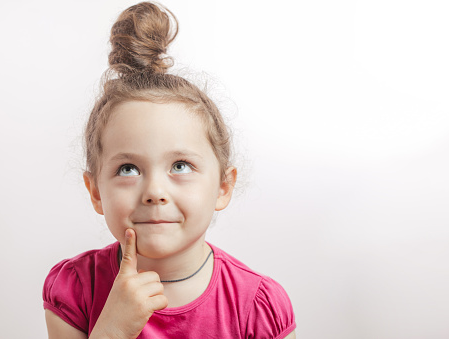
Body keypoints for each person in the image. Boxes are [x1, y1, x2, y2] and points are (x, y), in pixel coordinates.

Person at [43, 2, 296, 338]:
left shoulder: (257, 308)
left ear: (222, 186)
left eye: (180, 165)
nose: (154, 193)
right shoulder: (76, 290)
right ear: (96, 192)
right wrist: (111, 331)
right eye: (128, 169)